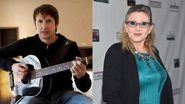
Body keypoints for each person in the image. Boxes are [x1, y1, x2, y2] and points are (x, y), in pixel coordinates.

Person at [0, 4, 92, 104]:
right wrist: (12, 66)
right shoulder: (26, 43)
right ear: (35, 24)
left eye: (48, 21)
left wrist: (82, 76)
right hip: (34, 97)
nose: (44, 26)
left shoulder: (70, 46)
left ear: (56, 24)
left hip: (65, 95)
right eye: (40, 21)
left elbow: (84, 88)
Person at [102, 4, 173, 104]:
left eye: (144, 23)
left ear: (150, 28)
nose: (138, 28)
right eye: (133, 23)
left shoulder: (154, 51)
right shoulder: (116, 52)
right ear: (126, 27)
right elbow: (111, 96)